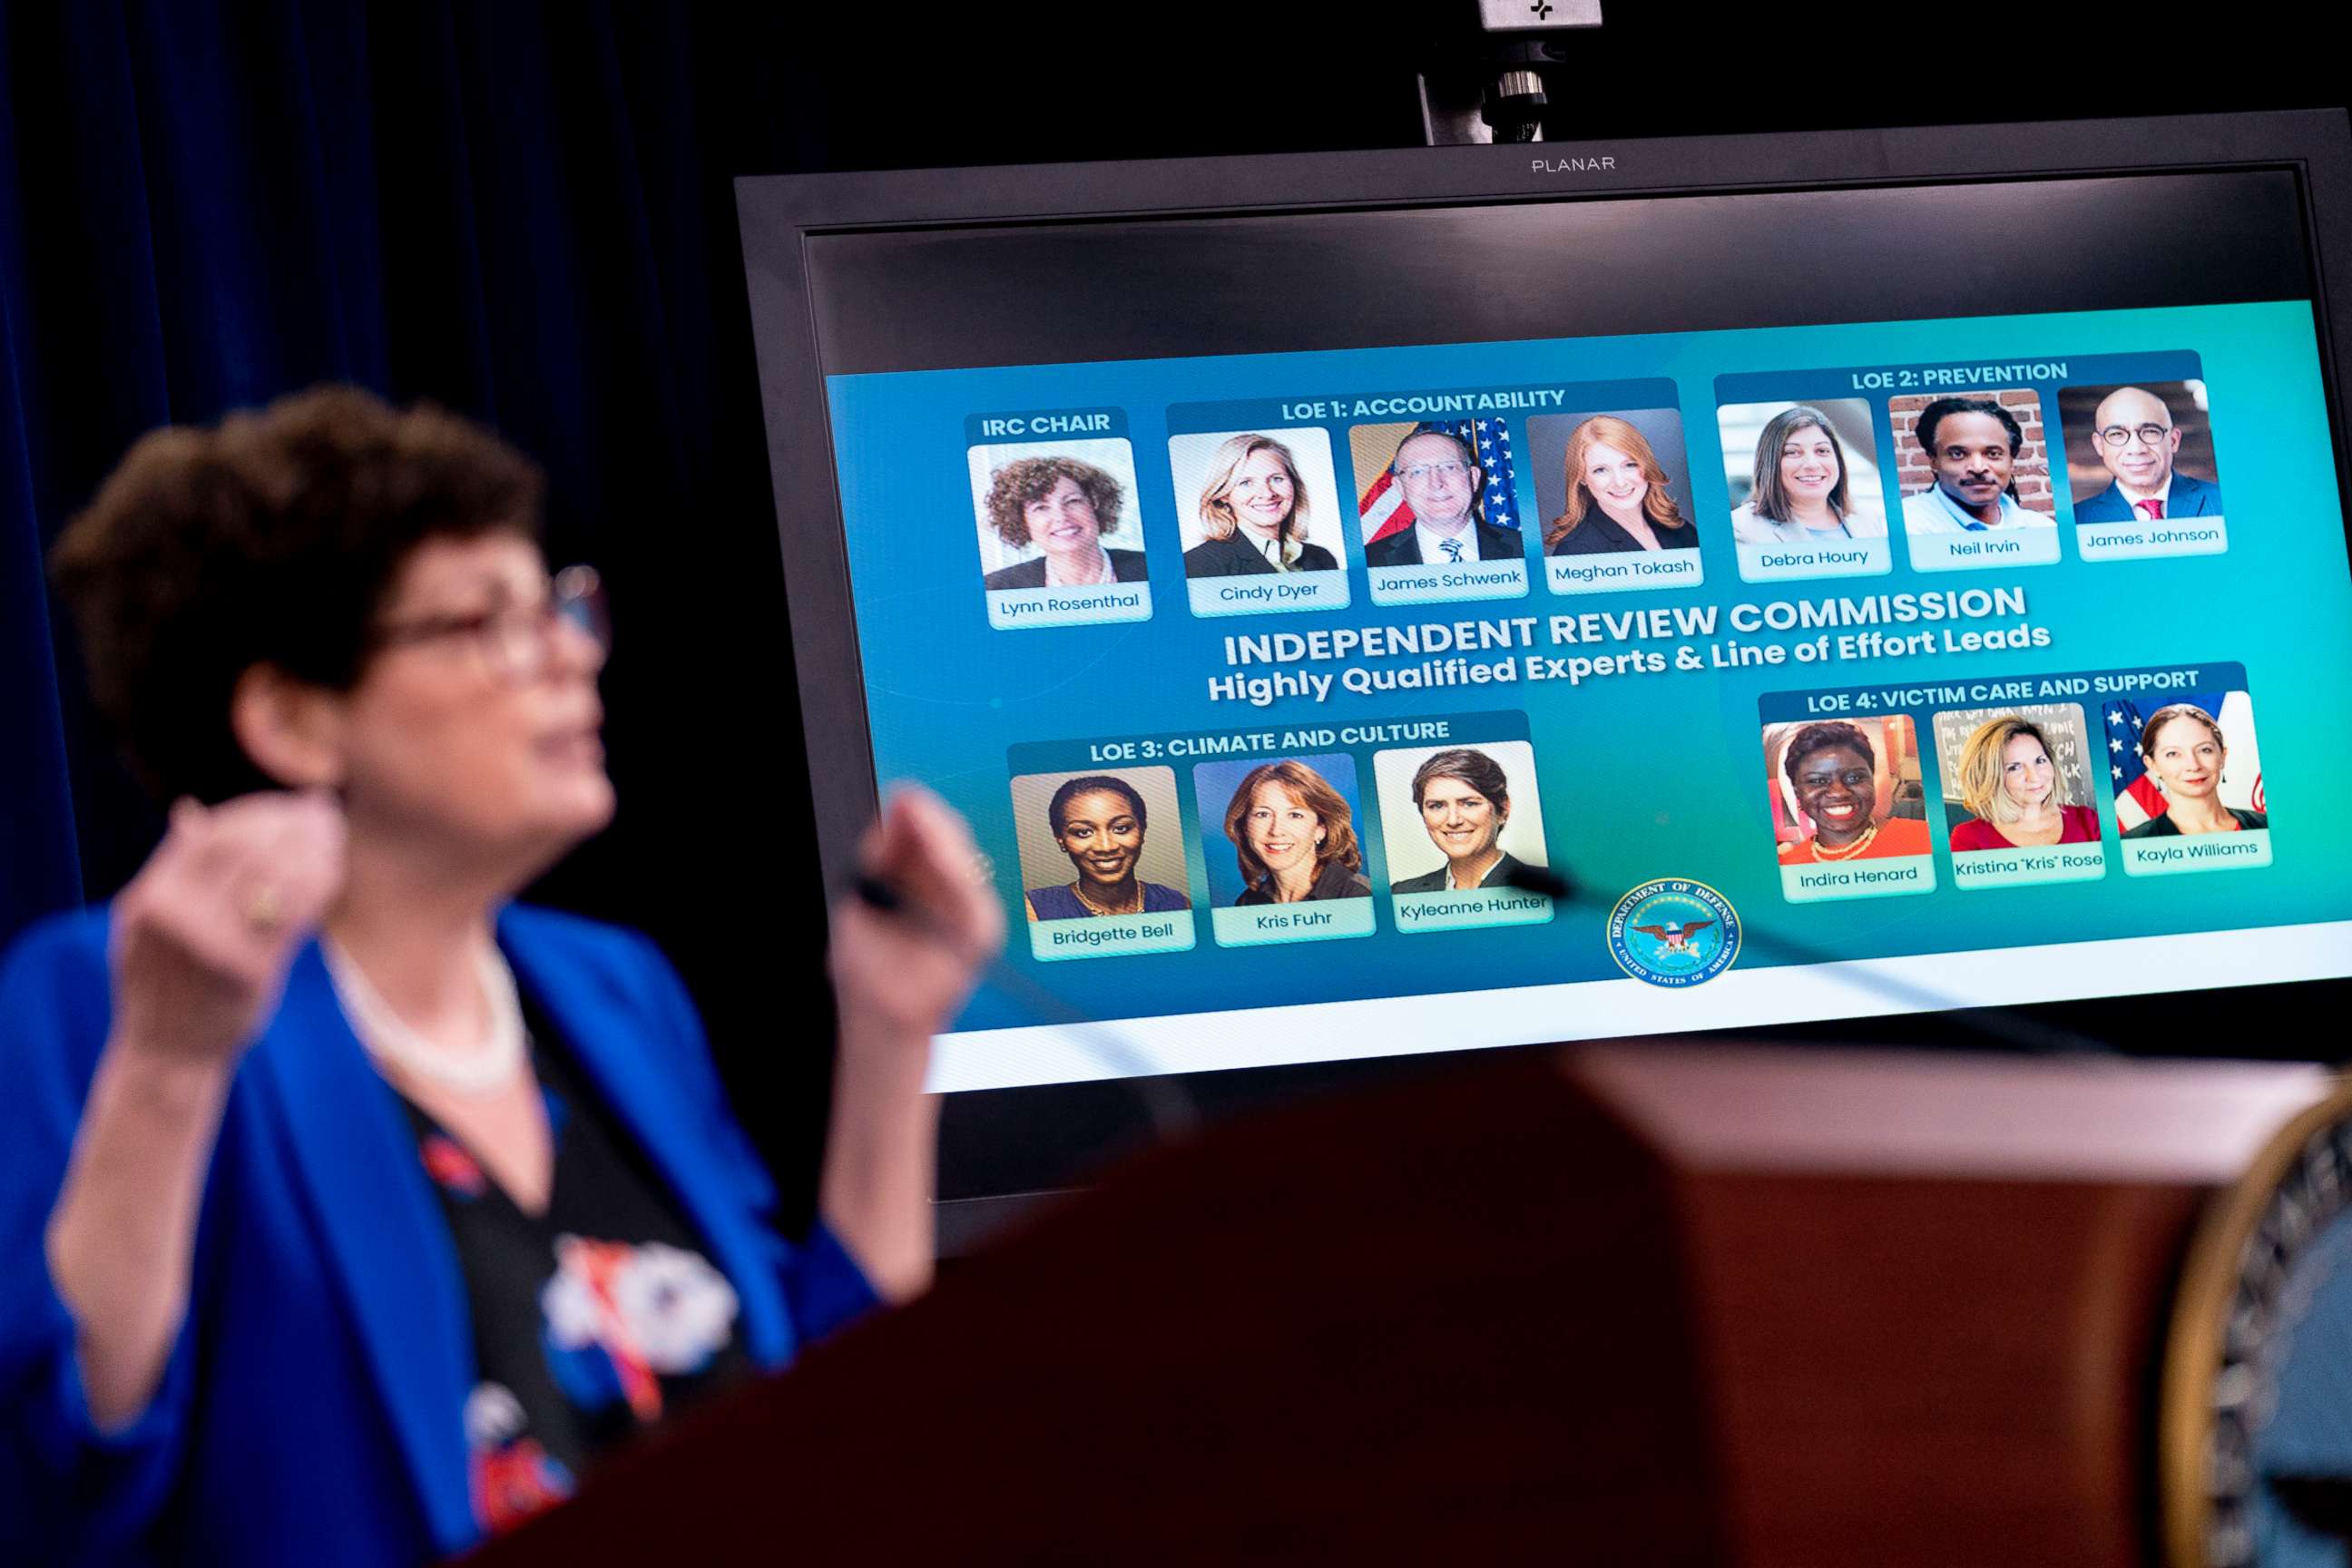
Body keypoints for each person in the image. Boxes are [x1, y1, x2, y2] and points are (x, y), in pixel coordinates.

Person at [0, 388, 1002, 1566]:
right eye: (488, 623)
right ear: (292, 718)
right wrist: (169, 1067)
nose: (571, 658)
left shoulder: (611, 988)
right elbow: (61, 1474)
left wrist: (894, 1034)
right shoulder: (103, 1004)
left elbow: (810, 1421)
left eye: (562, 609)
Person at [1024, 775, 1191, 919]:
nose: (1106, 847)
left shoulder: (1177, 903)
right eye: (1083, 832)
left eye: (1121, 828)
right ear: (1061, 839)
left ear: (1142, 830)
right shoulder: (1034, 909)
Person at [1773, 721, 1933, 864]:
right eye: (1818, 781)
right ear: (1798, 793)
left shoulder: (1925, 839)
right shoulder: (1788, 866)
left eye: (1854, 778)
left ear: (1871, 779)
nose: (1839, 793)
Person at [980, 456, 1148, 590]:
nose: (1061, 517)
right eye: (1041, 508)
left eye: (1073, 501)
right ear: (1021, 522)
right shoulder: (996, 588)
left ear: (1096, 506)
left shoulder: (1156, 568)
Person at [1363, 426, 1524, 567]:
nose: (1436, 483)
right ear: (1400, 487)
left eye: (1449, 467)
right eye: (1418, 471)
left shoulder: (1526, 549)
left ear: (1474, 478)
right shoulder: (1368, 562)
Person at [1182, 433, 1337, 577]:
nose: (1267, 494)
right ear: (1223, 495)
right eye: (1246, 483)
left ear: (1294, 485)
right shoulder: (1198, 564)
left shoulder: (1322, 559)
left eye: (1277, 479)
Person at [1729, 406, 1887, 544]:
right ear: (1770, 463)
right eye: (1793, 452)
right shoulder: (1740, 528)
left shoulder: (1868, 520)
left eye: (1822, 451)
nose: (1812, 464)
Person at [1387, 749, 1539, 893]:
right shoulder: (1401, 893)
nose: (1453, 820)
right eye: (1437, 806)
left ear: (1503, 809)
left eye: (1469, 803)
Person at [1543, 415, 1697, 555]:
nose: (1620, 482)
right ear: (1582, 477)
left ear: (1647, 465)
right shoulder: (1575, 551)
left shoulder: (1681, 530)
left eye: (1630, 465)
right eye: (1600, 470)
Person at [1898, 397, 2055, 534]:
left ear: (2011, 461)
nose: (1978, 468)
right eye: (1958, 454)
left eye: (1993, 454)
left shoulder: (2042, 529)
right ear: (1934, 461)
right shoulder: (1905, 525)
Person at [1222, 760, 1372, 903]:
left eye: (1295, 815)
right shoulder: (1248, 903)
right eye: (1263, 814)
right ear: (1244, 826)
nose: (1276, 831)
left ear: (1321, 829)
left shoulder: (1359, 896)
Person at [1947, 715, 2101, 852]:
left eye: (2040, 761)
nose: (2034, 777)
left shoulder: (2087, 820)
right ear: (1989, 777)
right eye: (2014, 767)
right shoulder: (1968, 840)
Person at [2073, 386, 2223, 523]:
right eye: (2117, 434)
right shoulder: (2078, 518)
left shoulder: (2223, 500)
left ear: (2173, 440)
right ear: (2099, 445)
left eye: (2150, 431)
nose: (2136, 448)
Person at [2122, 703, 2267, 838]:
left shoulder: (2266, 826)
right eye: (2173, 754)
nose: (2193, 765)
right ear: (2153, 765)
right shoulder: (2131, 844)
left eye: (2205, 750)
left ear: (2222, 756)